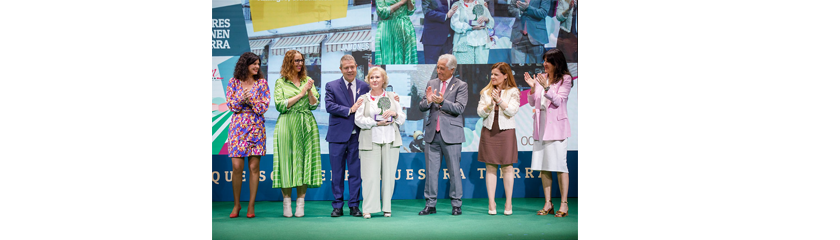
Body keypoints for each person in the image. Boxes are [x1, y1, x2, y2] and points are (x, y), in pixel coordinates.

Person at [524, 49, 574, 218]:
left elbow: (559, 101)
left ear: (557, 63)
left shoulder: (565, 79)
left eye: (548, 61)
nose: (544, 64)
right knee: (544, 167)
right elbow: (533, 101)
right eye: (544, 60)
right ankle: (548, 203)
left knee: (560, 166)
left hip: (557, 128)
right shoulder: (541, 78)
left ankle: (564, 203)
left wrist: (546, 87)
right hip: (541, 126)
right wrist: (532, 88)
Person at [272, 50, 322, 218]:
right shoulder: (280, 82)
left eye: (301, 60)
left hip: (306, 123)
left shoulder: (308, 80)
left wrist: (308, 91)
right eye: (296, 61)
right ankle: (287, 203)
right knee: (286, 162)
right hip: (286, 123)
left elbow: (314, 104)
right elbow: (280, 105)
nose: (300, 64)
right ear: (288, 63)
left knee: (303, 162)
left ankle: (300, 203)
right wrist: (300, 93)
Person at [418, 54, 468, 216]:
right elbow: (422, 106)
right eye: (438, 67)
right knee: (431, 172)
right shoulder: (432, 83)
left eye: (442, 68)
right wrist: (428, 101)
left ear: (452, 69)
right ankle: (430, 204)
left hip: (452, 134)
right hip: (432, 134)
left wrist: (441, 102)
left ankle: (456, 205)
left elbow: (459, 108)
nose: (438, 70)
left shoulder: (461, 85)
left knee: (454, 171)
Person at [354, 67, 406, 219]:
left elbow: (402, 118)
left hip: (390, 140)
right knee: (369, 177)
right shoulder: (363, 99)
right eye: (372, 77)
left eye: (378, 77)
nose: (375, 80)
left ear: (384, 80)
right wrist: (375, 122)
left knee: (389, 176)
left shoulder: (392, 97)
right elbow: (358, 119)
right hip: (370, 141)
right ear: (368, 80)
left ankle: (387, 208)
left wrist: (395, 114)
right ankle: (368, 208)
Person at [225, 52, 271, 218]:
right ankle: (236, 205)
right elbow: (231, 105)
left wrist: (250, 100)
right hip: (238, 128)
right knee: (237, 167)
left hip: (256, 127)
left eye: (258, 64)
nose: (257, 67)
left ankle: (251, 205)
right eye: (254, 64)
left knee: (253, 167)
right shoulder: (233, 82)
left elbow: (263, 107)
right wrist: (240, 97)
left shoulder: (262, 83)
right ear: (245, 64)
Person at [323, 55, 370, 217]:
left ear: (357, 67)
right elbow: (329, 106)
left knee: (356, 172)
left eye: (352, 67)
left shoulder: (365, 86)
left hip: (358, 136)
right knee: (337, 173)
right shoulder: (331, 86)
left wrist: (392, 99)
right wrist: (350, 109)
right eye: (346, 68)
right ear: (341, 69)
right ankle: (337, 206)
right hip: (337, 136)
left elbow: (375, 104)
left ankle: (354, 206)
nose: (350, 70)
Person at [476, 62, 520, 216]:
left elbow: (512, 111)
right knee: (490, 167)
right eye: (492, 74)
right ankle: (491, 202)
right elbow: (480, 112)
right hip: (489, 131)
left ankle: (508, 202)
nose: (492, 77)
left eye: (496, 74)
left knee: (507, 167)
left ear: (505, 75)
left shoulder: (513, 91)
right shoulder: (486, 92)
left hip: (506, 132)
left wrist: (500, 101)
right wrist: (490, 105)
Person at [375, 0, 418, 64]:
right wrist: (402, 2)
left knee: (408, 59)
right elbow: (382, 13)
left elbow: (410, 11)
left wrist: (409, 1)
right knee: (388, 58)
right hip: (388, 28)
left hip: (405, 28)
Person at [451, 0, 494, 64]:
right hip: (463, 44)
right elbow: (454, 24)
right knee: (465, 69)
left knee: (482, 67)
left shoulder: (481, 3)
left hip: (482, 43)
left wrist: (486, 19)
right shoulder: (458, 5)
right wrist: (470, 27)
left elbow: (492, 23)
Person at [421, 0, 458, 64]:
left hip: (450, 39)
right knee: (431, 68)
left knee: (447, 67)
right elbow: (427, 12)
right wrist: (446, 15)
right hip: (433, 39)